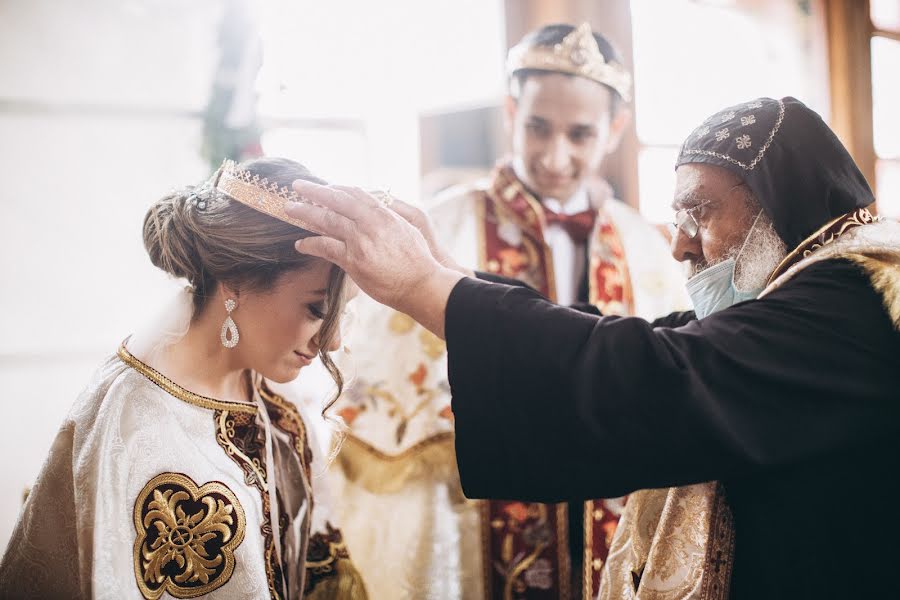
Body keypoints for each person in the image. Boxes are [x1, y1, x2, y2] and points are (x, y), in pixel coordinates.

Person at [283, 96, 900, 599]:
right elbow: (656, 337)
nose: (681, 247)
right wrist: (456, 279)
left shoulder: (855, 295)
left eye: (701, 214)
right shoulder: (799, 291)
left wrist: (428, 289)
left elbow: (658, 374)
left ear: (780, 209)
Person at [325, 22, 688, 599]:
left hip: (609, 514)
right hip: (471, 508)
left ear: (615, 130)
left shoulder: (646, 246)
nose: (555, 155)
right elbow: (378, 376)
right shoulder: (442, 227)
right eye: (538, 127)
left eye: (580, 134)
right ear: (511, 111)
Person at [0, 158, 368, 599]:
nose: (332, 342)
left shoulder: (270, 395)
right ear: (236, 279)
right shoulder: (134, 429)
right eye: (318, 311)